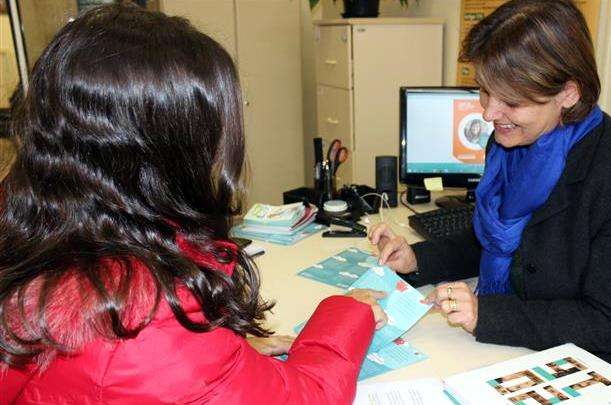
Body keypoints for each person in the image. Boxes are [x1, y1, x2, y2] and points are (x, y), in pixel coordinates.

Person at [0, 4, 386, 404]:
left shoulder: (37, 229)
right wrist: (344, 312)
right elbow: (308, 397)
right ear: (164, 148)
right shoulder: (143, 321)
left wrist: (226, 351)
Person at [370, 0, 611, 399]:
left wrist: (488, 314)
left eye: (512, 101)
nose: (490, 112)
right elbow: (493, 239)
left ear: (568, 93)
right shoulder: (511, 142)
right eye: (484, 91)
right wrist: (417, 260)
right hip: (517, 346)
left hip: (602, 368)